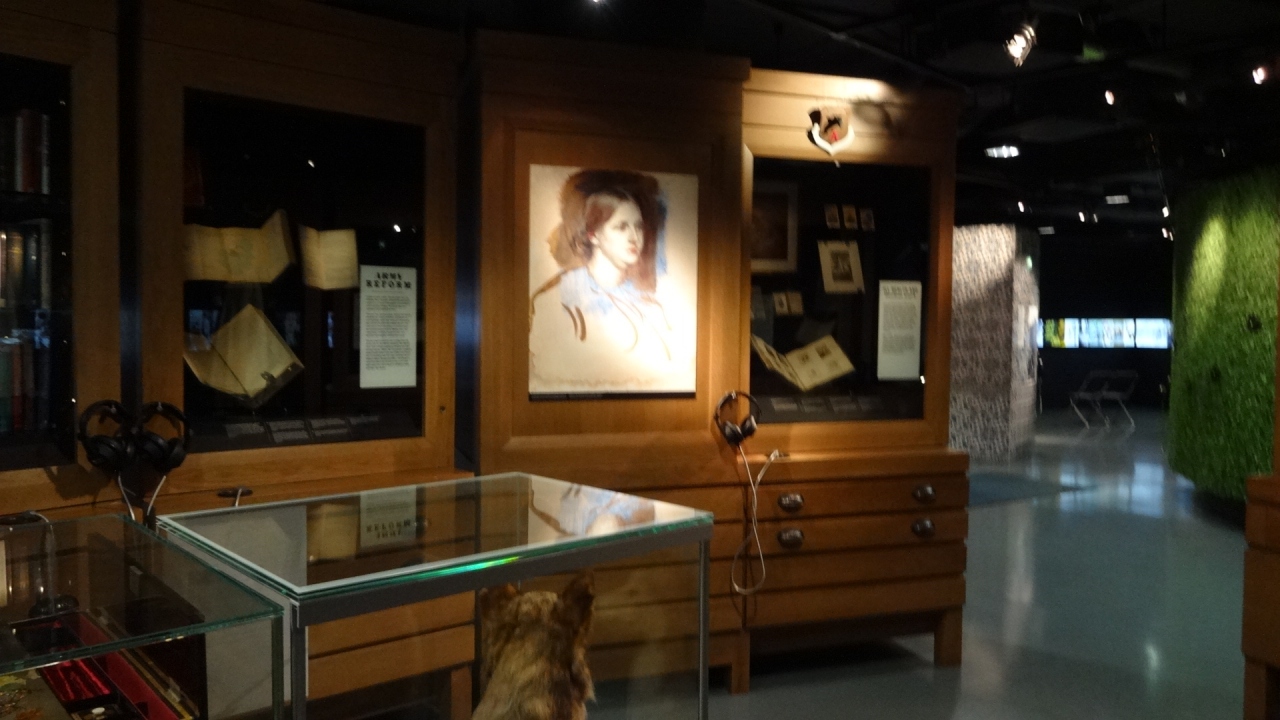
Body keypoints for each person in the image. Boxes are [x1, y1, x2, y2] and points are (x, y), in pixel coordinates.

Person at [529, 169, 679, 393]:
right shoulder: (555, 300)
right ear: (593, 235)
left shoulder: (651, 306)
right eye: (621, 227)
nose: (634, 237)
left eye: (638, 226)